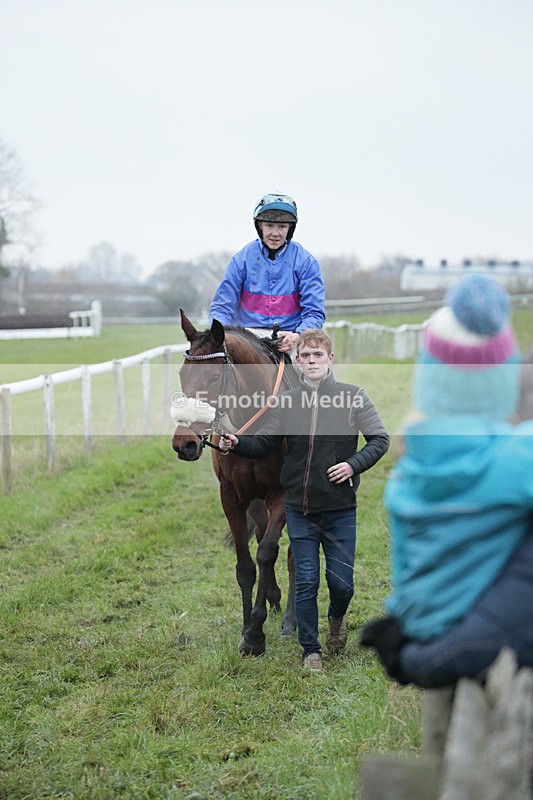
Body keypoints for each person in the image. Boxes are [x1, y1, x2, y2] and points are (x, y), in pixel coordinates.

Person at [360, 273, 533, 688]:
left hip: (422, 624)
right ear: (502, 382)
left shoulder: (406, 474)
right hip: (474, 630)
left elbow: (404, 570)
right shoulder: (515, 459)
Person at [219, 329, 390, 671]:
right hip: (299, 509)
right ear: (298, 361)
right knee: (307, 580)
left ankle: (337, 618)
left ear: (330, 358)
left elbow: (379, 440)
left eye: (318, 355)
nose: (311, 361)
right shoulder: (286, 402)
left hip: (339, 508)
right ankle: (310, 650)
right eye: (306, 356)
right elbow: (264, 443)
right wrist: (237, 443)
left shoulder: (353, 397)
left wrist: (353, 464)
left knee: (341, 585)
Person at [209, 193, 326, 355]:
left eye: (282, 226)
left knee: (315, 365)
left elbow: (314, 311)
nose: (275, 233)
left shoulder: (306, 262)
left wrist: (299, 335)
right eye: (270, 225)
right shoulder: (241, 259)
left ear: (290, 228)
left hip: (290, 335)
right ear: (260, 226)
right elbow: (223, 305)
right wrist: (217, 334)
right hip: (248, 336)